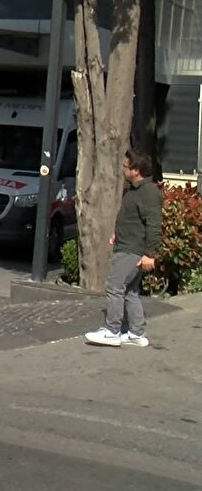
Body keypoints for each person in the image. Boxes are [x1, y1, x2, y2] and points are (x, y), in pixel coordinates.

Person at [85, 149, 162, 348]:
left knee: (115, 287)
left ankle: (112, 331)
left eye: (126, 166)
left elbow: (154, 225)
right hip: (126, 245)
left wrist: (150, 254)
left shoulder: (148, 192)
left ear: (136, 171)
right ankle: (137, 333)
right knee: (130, 291)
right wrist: (117, 233)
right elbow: (133, 219)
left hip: (131, 250)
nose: (123, 169)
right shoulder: (135, 190)